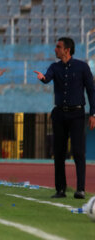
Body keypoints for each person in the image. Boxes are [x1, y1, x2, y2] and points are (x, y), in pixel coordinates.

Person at [34, 37, 95, 199]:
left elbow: (91, 91)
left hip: (77, 114)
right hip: (59, 114)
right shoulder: (54, 67)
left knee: (78, 152)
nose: (55, 49)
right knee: (59, 152)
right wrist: (43, 78)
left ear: (67, 50)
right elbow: (47, 78)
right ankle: (60, 189)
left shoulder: (82, 67)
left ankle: (80, 189)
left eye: (58, 47)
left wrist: (93, 113)